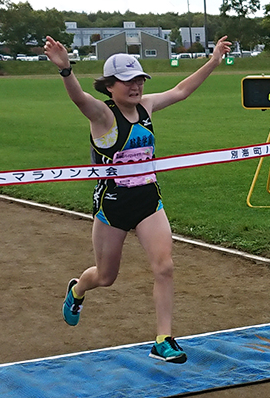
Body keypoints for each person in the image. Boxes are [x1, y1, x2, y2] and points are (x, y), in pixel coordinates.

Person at [44, 35, 231, 364]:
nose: (136, 87)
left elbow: (180, 91)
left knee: (165, 267)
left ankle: (163, 339)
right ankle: (77, 290)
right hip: (113, 207)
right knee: (106, 276)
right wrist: (65, 71)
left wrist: (213, 61)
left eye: (140, 80)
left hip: (148, 201)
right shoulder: (102, 115)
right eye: (128, 81)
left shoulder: (145, 107)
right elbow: (79, 99)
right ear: (110, 85)